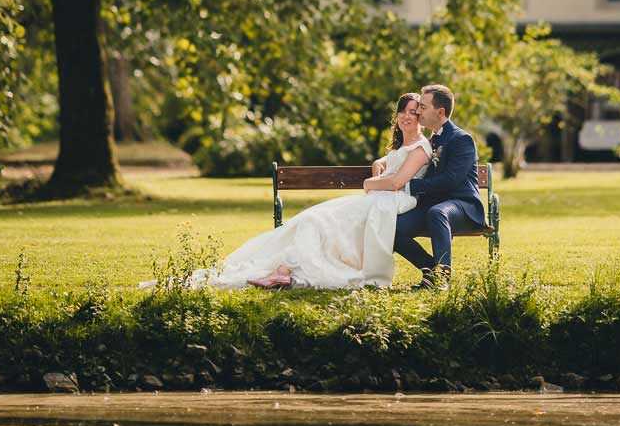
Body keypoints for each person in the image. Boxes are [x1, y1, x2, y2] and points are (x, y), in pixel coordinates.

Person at [168, 93, 432, 290]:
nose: (407, 117)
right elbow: (393, 165)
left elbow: (398, 182)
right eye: (403, 112)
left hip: (392, 202)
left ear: (422, 118)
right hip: (380, 199)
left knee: (321, 220)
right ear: (397, 116)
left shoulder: (421, 147)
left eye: (414, 113)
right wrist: (381, 163)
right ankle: (282, 271)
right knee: (312, 219)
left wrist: (368, 184)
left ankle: (285, 270)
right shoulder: (401, 147)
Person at [385, 84, 487, 289]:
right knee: (391, 227)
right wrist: (382, 162)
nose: (418, 111)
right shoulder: (431, 141)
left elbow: (451, 180)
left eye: (423, 107)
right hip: (432, 206)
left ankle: (442, 278)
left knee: (437, 212)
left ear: (439, 112)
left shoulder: (461, 139)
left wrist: (412, 186)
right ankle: (430, 269)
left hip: (462, 206)